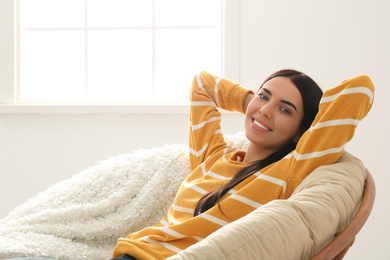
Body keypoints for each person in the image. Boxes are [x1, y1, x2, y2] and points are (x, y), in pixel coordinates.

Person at [4, 69, 374, 260]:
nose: (265, 109)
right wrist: (252, 103)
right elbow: (202, 85)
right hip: (130, 251)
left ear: (303, 131)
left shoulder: (290, 170)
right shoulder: (212, 158)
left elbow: (360, 89)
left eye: (285, 109)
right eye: (264, 96)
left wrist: (307, 123)